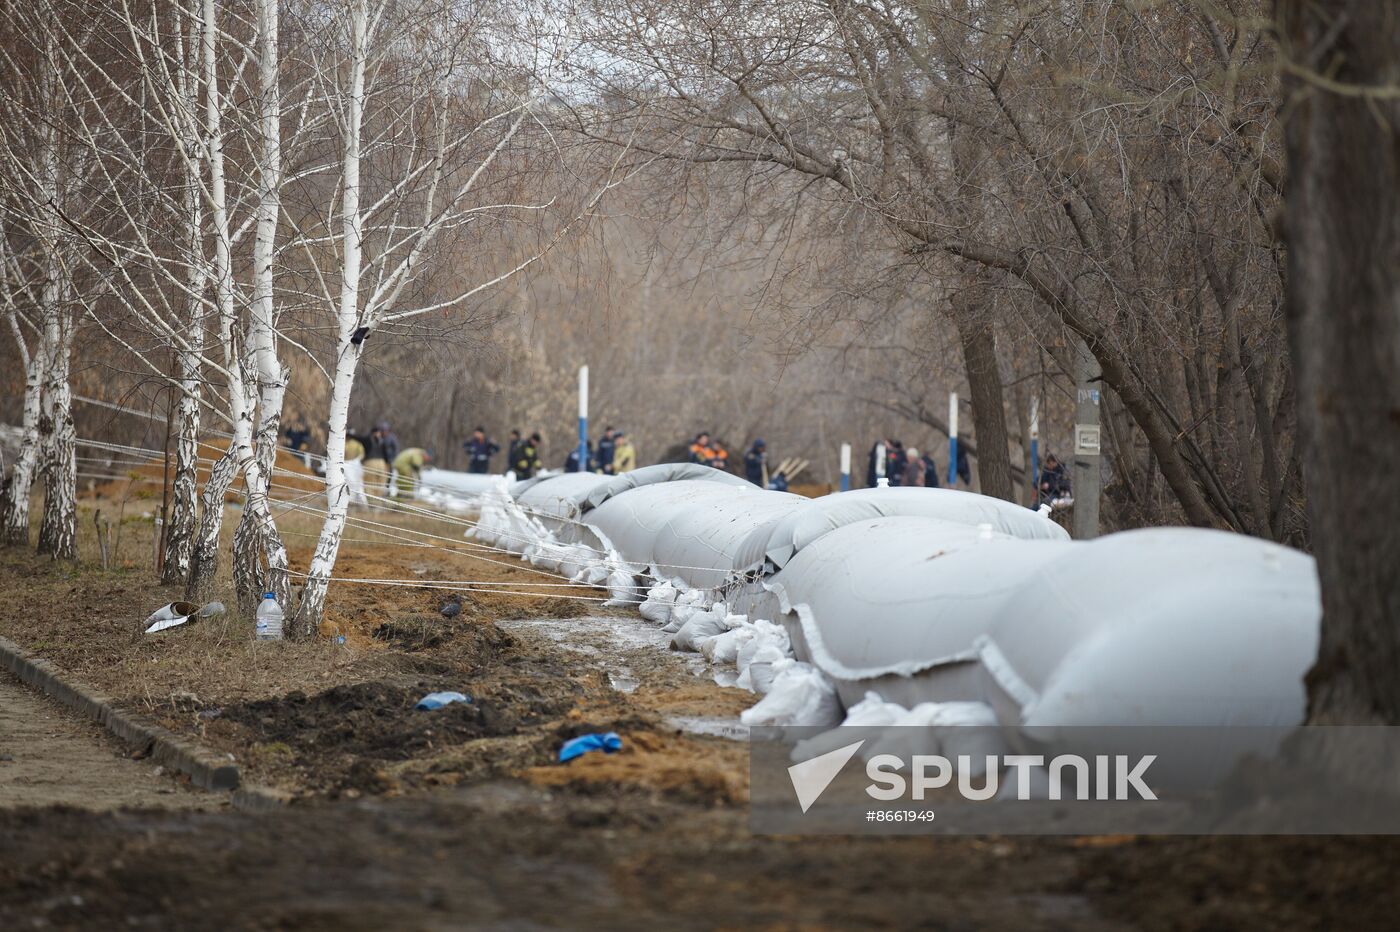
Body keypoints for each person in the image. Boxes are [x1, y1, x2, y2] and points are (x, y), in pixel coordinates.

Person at [362, 422, 397, 496]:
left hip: (387, 461)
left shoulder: (391, 438)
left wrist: (391, 459)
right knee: (372, 481)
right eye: (383, 430)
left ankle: (386, 493)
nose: (384, 432)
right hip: (378, 462)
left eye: (386, 430)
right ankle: (373, 496)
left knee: (386, 479)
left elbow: (395, 449)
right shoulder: (375, 438)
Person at [343, 429, 368, 506]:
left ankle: (352, 500)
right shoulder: (355, 444)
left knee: (354, 484)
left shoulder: (346, 443)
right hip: (349, 466)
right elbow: (362, 455)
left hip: (353, 467)